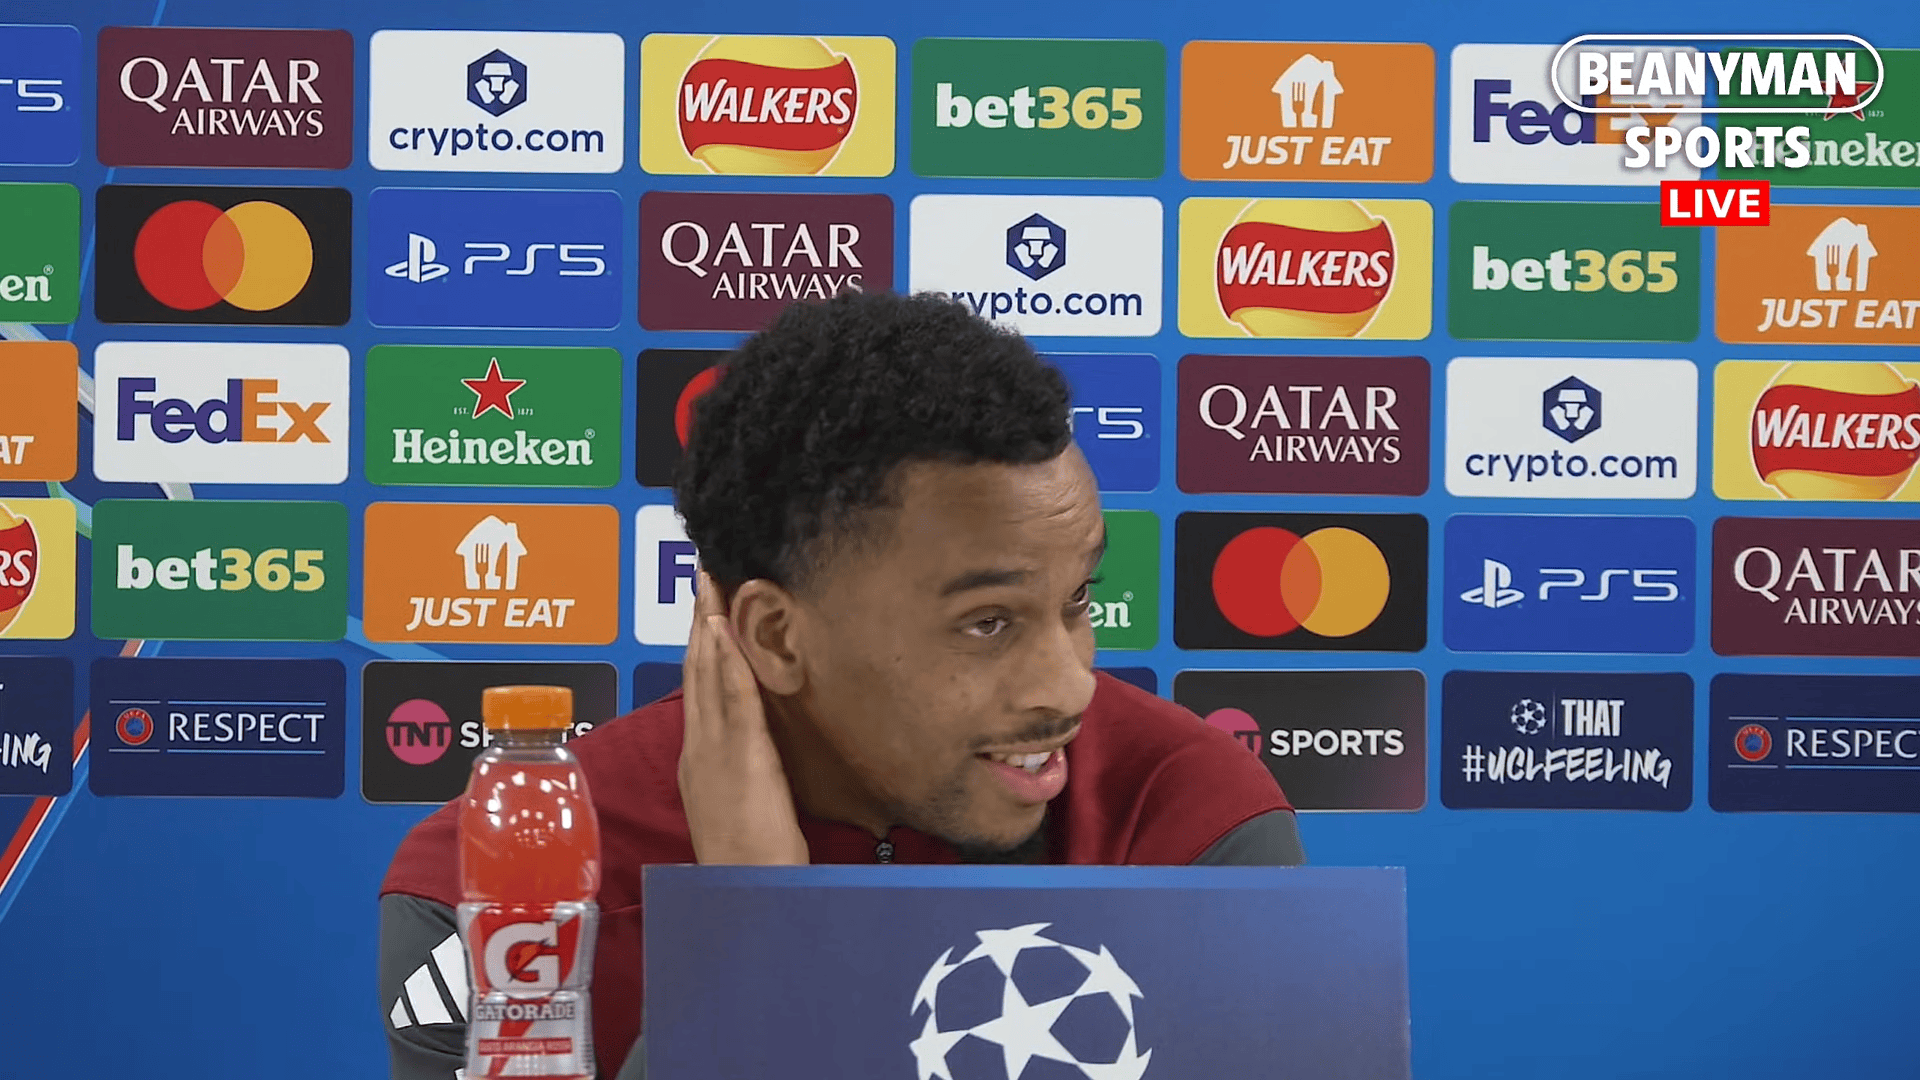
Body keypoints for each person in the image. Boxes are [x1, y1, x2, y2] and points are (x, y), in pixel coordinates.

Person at [378, 291, 1305, 1080]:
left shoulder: (1189, 818)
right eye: (988, 623)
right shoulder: (499, 889)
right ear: (775, 636)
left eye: (1077, 600)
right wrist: (749, 928)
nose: (1069, 687)